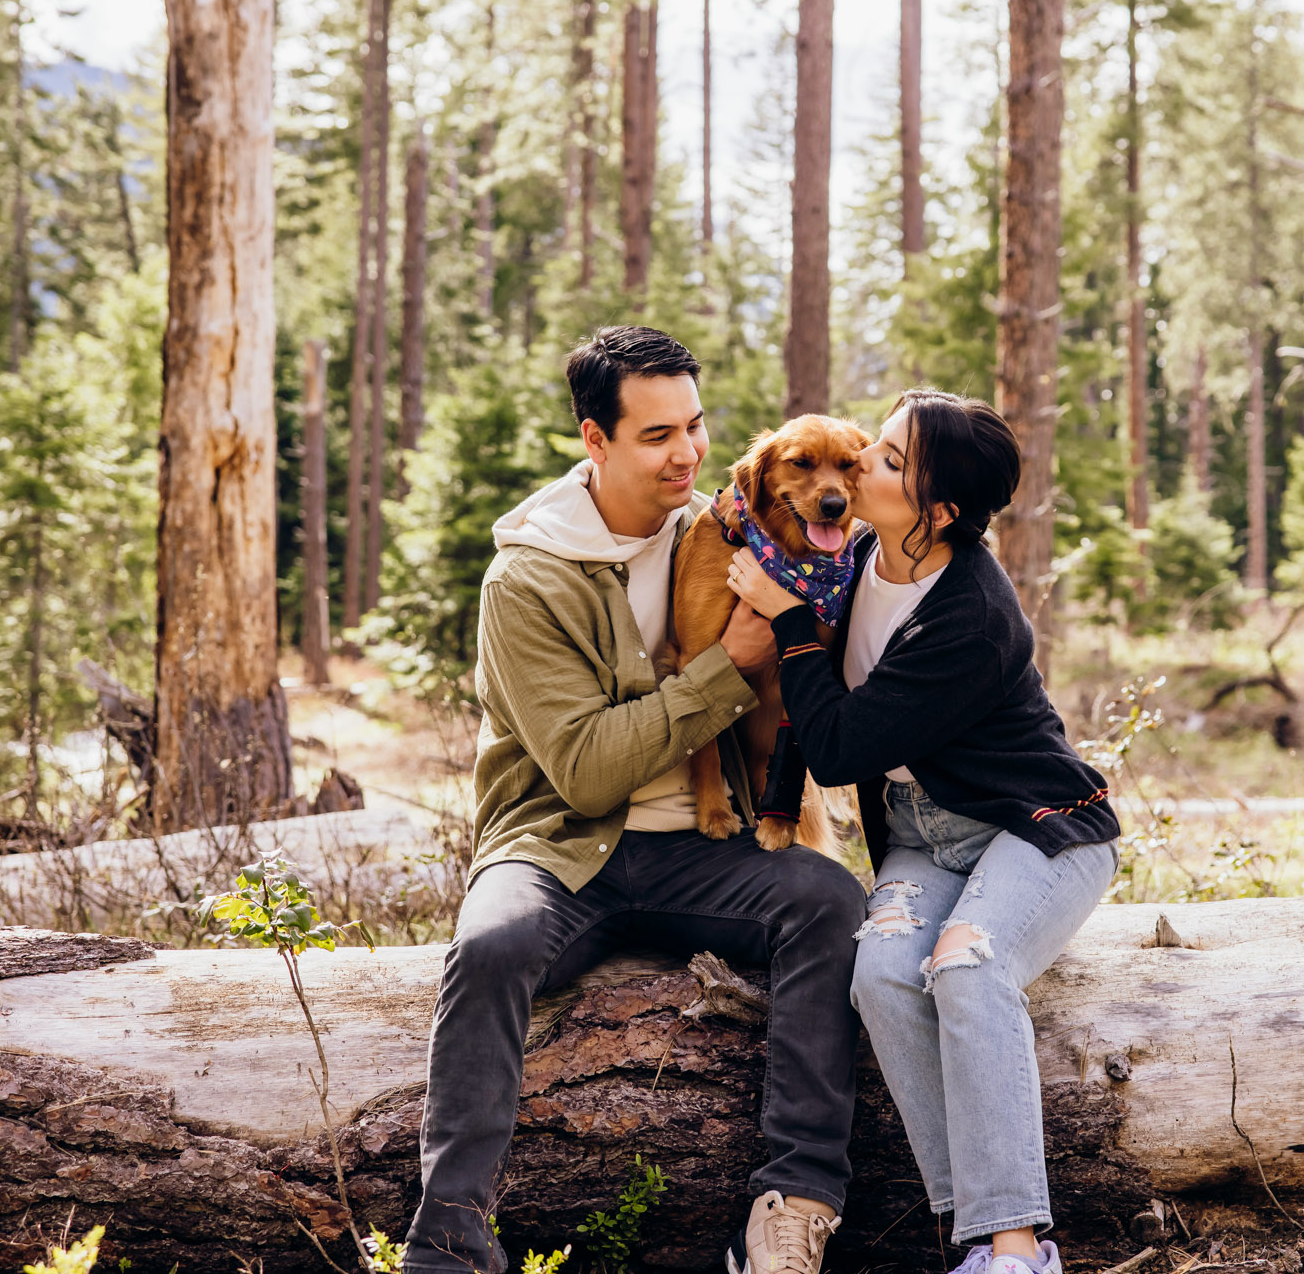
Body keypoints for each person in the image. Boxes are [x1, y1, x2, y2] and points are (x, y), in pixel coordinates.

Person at [405, 326, 865, 1274]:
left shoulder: (730, 536)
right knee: (489, 945)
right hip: (560, 847)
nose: (687, 454)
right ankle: (450, 1238)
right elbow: (583, 771)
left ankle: (797, 1202)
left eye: (694, 428)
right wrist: (728, 667)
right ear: (594, 439)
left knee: (828, 903)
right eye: (657, 435)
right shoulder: (527, 578)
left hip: (706, 849)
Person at [727, 388, 1121, 1274]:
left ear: (939, 510)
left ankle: (1014, 1249)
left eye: (889, 462)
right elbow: (799, 715)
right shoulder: (856, 551)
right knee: (883, 979)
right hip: (918, 832)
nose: (860, 467)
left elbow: (837, 744)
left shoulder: (970, 615)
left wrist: (787, 620)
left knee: (967, 968)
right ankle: (974, 1230)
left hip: (1036, 827)